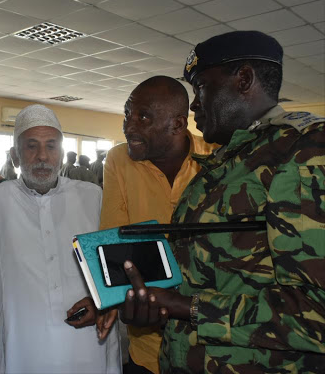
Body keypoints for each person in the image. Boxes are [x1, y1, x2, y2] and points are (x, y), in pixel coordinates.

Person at [119, 31, 325, 373]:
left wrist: (188, 306)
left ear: (243, 80)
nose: (195, 103)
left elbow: (317, 313)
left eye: (201, 87)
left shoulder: (303, 153)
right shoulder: (229, 160)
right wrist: (152, 299)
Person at [0, 104, 121, 373]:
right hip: (26, 346)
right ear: (15, 155)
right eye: (31, 146)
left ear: (62, 154)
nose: (42, 156)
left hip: (89, 342)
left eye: (51, 146)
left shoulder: (93, 197)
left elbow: (114, 272)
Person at [97, 75, 216, 374]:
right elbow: (114, 243)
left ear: (177, 124)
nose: (129, 126)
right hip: (148, 347)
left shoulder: (216, 159)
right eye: (127, 114)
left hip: (210, 347)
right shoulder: (119, 161)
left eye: (143, 117)